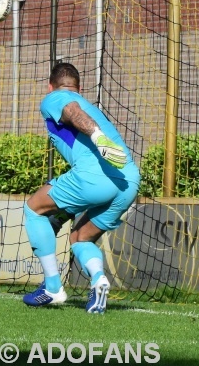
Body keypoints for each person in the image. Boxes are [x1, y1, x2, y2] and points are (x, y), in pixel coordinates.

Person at [22, 62, 140, 313]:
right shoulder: (93, 108)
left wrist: (97, 137)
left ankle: (52, 287)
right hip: (128, 182)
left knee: (33, 209)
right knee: (80, 237)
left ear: (50, 85)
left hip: (95, 177)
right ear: (80, 87)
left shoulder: (55, 97)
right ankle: (99, 279)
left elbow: (71, 110)